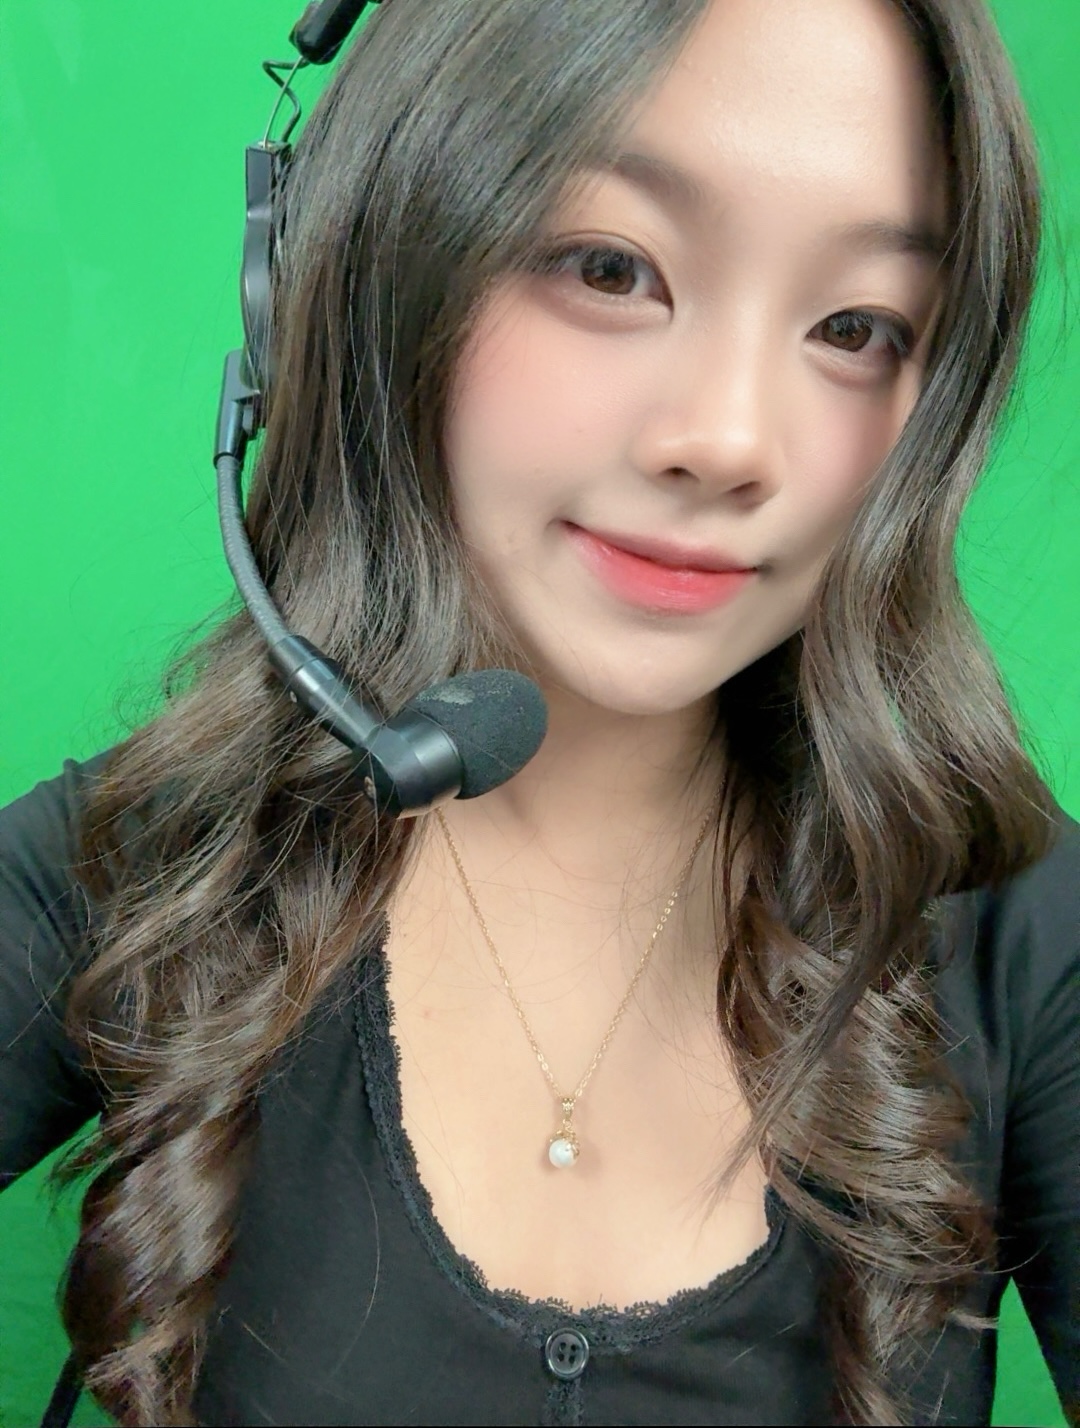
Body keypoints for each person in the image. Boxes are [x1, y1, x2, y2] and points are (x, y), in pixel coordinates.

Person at [1, 0, 1076, 1424]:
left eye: (854, 327)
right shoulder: (136, 871)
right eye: (611, 268)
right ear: (376, 265)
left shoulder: (1023, 929)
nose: (728, 441)